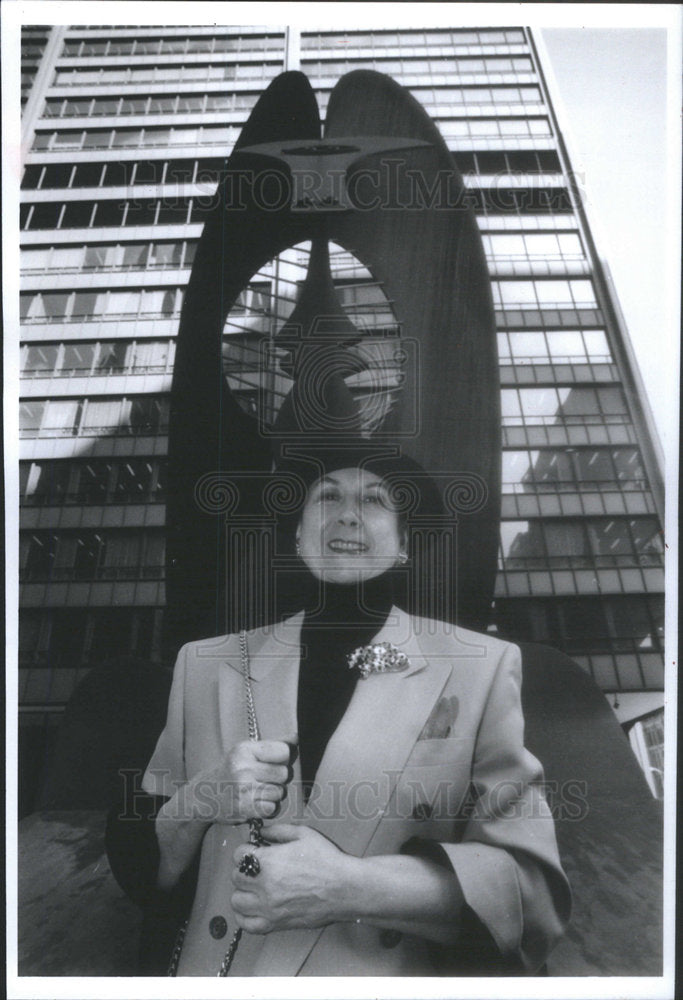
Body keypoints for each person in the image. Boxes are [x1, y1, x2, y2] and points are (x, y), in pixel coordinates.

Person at [110, 447, 571, 976]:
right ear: (297, 533)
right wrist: (200, 799)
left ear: (404, 542)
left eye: (374, 500)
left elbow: (530, 893)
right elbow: (143, 869)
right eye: (327, 496)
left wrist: (346, 887)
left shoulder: (482, 668)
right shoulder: (204, 664)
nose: (348, 514)